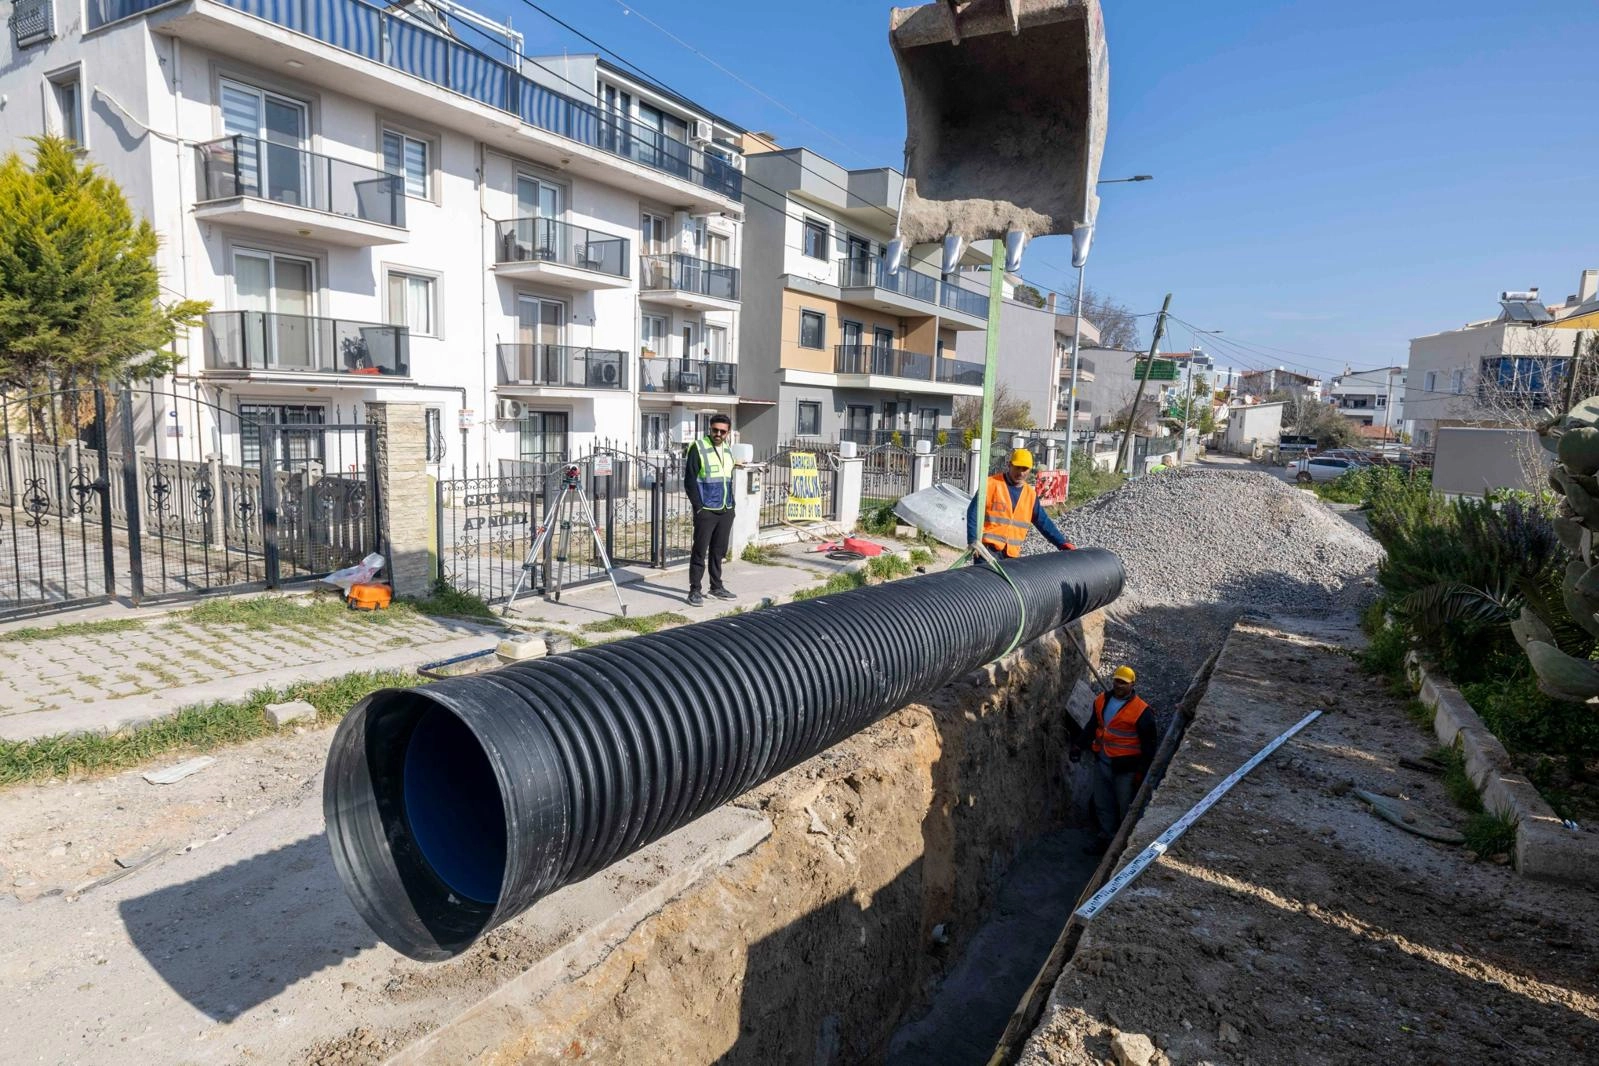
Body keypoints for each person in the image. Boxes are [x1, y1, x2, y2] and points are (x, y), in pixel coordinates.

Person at [1071, 665, 1157, 855]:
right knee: (1103, 804)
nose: (1119, 685)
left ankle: (1124, 848)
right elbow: (1093, 725)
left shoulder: (1142, 711)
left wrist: (1142, 772)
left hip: (1126, 769)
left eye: (1123, 683)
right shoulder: (1101, 700)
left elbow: (1149, 746)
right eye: (1117, 680)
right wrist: (1079, 745)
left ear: (1132, 684)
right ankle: (1106, 839)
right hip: (1103, 762)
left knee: (1125, 807)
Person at [965, 447, 1076, 558]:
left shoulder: (1030, 495)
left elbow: (1043, 523)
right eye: (1017, 468)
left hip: (1011, 555)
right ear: (1009, 465)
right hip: (987, 551)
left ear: (1030, 470)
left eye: (1024, 469)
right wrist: (973, 539)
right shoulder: (991, 484)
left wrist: (1062, 543)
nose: (1020, 472)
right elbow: (973, 512)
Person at [684, 414, 737, 606]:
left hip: (725, 508)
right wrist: (698, 508)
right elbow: (689, 481)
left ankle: (716, 586)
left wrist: (732, 506)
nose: (718, 434)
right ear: (710, 429)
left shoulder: (728, 450)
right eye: (715, 430)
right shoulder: (698, 448)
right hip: (706, 509)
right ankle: (694, 590)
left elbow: (727, 479)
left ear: (728, 433)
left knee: (719, 550)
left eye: (722, 431)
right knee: (700, 551)